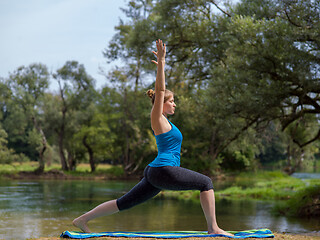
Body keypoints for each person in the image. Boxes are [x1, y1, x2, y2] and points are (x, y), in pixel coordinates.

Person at [72, 39, 233, 236]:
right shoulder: (157, 118)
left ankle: (82, 219)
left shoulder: (167, 122)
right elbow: (160, 90)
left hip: (155, 172)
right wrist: (162, 64)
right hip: (164, 170)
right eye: (172, 101)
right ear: (161, 103)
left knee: (123, 203)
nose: (174, 104)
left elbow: (162, 95)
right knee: (206, 183)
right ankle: (213, 228)